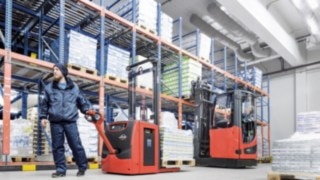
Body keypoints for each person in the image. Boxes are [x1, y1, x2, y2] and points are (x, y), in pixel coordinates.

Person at [39, 63, 94, 178]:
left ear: (63, 72)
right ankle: (60, 170)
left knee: (75, 145)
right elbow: (45, 104)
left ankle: (82, 167)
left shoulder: (74, 87)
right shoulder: (49, 87)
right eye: (53, 70)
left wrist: (87, 111)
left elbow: (81, 102)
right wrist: (43, 117)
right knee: (57, 146)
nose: (54, 72)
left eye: (57, 69)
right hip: (55, 122)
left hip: (70, 121)